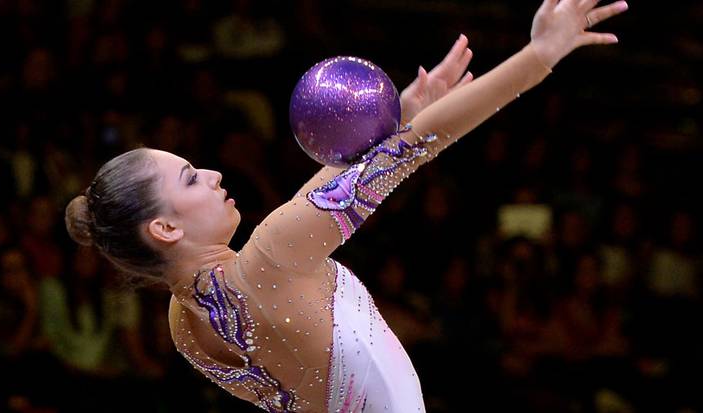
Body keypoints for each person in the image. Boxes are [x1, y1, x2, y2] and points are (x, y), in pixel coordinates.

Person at [64, 1, 628, 411]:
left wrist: (396, 118)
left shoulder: (183, 324)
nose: (211, 174)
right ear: (163, 227)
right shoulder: (271, 257)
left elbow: (318, 198)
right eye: (189, 178)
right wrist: (540, 55)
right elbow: (421, 145)